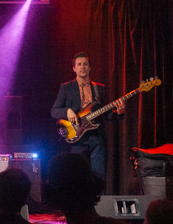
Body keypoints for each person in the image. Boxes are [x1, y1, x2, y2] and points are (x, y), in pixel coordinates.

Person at [50, 52, 123, 189]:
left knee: (99, 177)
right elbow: (54, 111)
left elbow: (106, 114)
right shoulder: (66, 88)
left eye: (85, 64)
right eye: (79, 64)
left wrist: (119, 113)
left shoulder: (99, 88)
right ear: (74, 68)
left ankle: (99, 202)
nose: (82, 67)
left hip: (97, 138)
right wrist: (67, 111)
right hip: (77, 139)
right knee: (78, 178)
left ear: (90, 67)